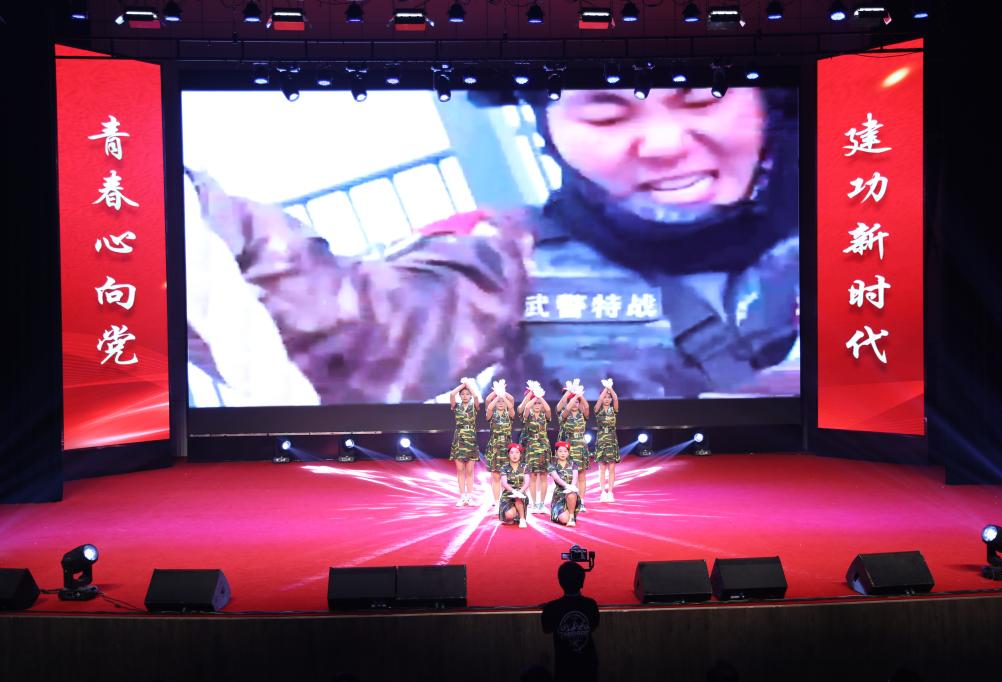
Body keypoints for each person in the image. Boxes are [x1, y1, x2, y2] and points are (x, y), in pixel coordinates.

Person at [185, 86, 799, 404]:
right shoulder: (510, 259)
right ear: (549, 131)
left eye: (703, 98)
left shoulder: (846, 214)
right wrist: (181, 215)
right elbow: (353, 335)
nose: (665, 143)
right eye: (606, 117)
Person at [541, 562, 600, 682]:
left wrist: (547, 608)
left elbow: (546, 628)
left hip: (564, 667)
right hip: (588, 666)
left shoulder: (552, 608)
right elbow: (593, 626)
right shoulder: (591, 604)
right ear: (582, 582)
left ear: (560, 582)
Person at [520, 387, 552, 513]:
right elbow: (527, 408)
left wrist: (540, 398)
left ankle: (542, 504)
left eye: (539, 403)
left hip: (544, 447)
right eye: (535, 403)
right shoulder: (528, 415)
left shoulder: (545, 416)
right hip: (532, 447)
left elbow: (548, 409)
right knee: (533, 476)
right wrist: (534, 397)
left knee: (543, 476)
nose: (537, 405)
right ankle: (534, 504)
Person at [558, 390, 590, 512]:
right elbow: (566, 409)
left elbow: (587, 407)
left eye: (577, 402)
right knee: (569, 475)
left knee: (581, 475)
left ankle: (581, 501)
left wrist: (580, 395)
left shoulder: (583, 414)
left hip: (581, 447)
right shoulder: (565, 415)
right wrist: (574, 396)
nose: (575, 404)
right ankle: (570, 500)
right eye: (573, 402)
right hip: (569, 448)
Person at [484, 379, 515, 506]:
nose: (501, 403)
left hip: (507, 447)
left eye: (503, 401)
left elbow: (511, 402)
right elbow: (488, 403)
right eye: (498, 401)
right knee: (495, 475)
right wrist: (497, 394)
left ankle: (505, 499)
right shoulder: (491, 414)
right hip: (495, 447)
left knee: (506, 475)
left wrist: (503, 393)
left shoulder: (509, 414)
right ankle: (496, 500)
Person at [449, 379, 480, 507]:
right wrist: (463, 384)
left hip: (471, 439)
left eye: (467, 394)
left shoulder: (474, 406)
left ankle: (470, 497)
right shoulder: (456, 406)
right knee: (460, 470)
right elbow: (452, 394)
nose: (465, 396)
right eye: (462, 394)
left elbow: (476, 397)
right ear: (460, 396)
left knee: (470, 471)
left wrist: (469, 385)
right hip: (459, 439)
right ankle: (462, 497)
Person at [593, 380, 620, 502]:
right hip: (601, 439)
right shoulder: (598, 409)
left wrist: (610, 388)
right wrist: (605, 388)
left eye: (609, 397)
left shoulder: (614, 410)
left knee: (612, 468)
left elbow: (616, 398)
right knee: (602, 468)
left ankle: (610, 492)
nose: (607, 399)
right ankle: (603, 492)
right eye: (605, 397)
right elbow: (599, 400)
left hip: (612, 439)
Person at [498, 443, 531, 528]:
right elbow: (504, 483)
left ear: (520, 454)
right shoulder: (504, 467)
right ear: (508, 454)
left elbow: (527, 482)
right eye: (512, 452)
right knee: (510, 517)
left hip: (521, 493)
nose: (514, 455)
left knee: (518, 497)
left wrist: (519, 492)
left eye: (517, 452)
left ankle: (522, 519)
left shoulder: (525, 466)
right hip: (508, 494)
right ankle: (515, 513)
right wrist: (513, 491)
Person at [548, 442, 579, 527]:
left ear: (568, 453)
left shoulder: (573, 463)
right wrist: (566, 486)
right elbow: (556, 478)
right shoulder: (552, 464)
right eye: (560, 451)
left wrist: (572, 487)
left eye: (565, 451)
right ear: (556, 452)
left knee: (571, 494)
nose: (563, 453)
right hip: (559, 495)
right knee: (564, 520)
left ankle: (571, 516)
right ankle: (563, 513)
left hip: (571, 493)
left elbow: (575, 477)